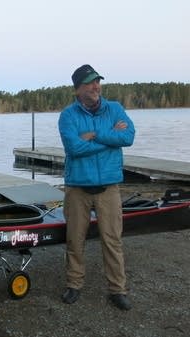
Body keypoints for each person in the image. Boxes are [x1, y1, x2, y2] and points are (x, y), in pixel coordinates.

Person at [58, 64, 135, 311]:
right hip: (77, 188)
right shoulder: (68, 115)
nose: (95, 86)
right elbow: (74, 149)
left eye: (97, 81)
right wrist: (110, 136)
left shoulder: (115, 109)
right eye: (89, 82)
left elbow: (128, 137)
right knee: (75, 240)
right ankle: (74, 284)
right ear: (77, 89)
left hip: (109, 188)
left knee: (113, 240)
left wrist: (94, 135)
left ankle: (117, 289)